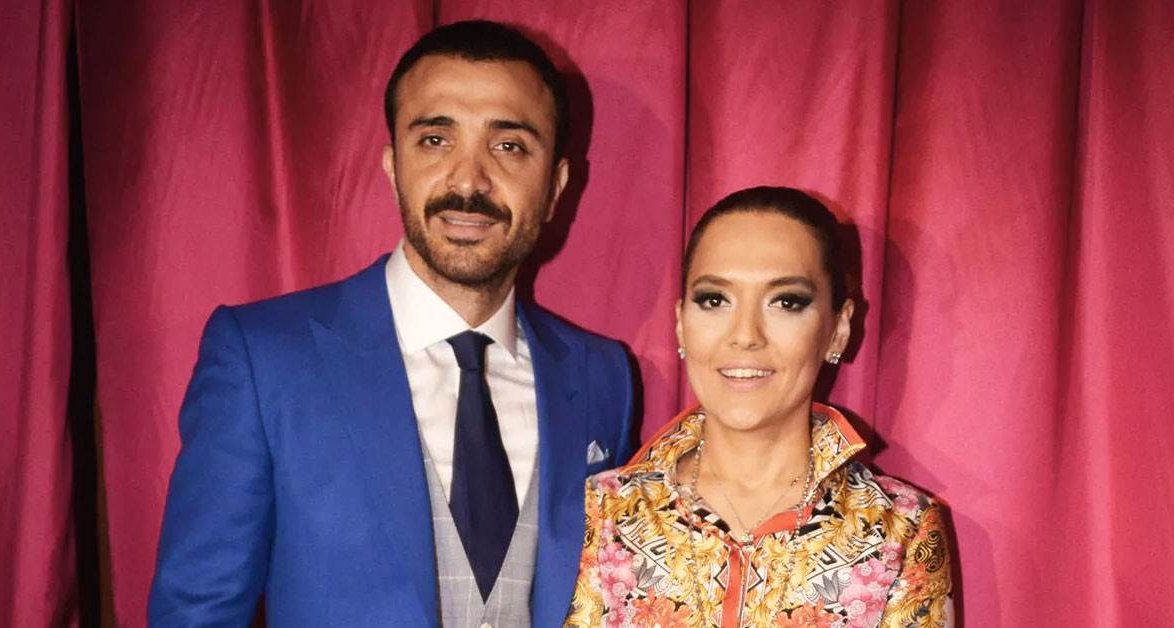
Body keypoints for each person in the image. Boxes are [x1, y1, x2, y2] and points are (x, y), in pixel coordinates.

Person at [149, 20, 636, 628]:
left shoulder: (602, 376)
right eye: (435, 139)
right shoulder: (262, 359)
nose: (468, 180)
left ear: (556, 185)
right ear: (392, 165)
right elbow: (197, 614)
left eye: (509, 146)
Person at [565, 187, 953, 627]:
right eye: (715, 300)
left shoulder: (901, 528)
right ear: (680, 323)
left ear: (838, 329)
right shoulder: (606, 510)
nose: (745, 335)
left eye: (786, 302)